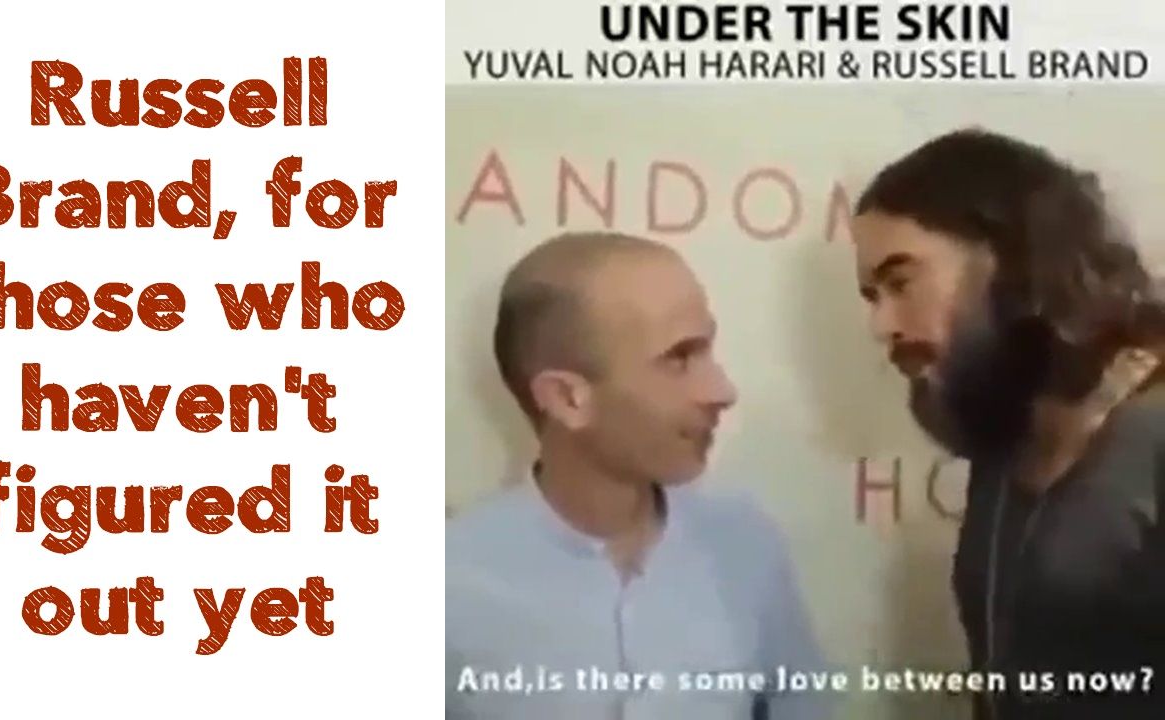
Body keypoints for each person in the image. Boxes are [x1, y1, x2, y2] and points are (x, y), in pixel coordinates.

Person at [446, 232, 829, 719]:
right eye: (679, 358)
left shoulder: (746, 545)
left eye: (707, 351)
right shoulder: (448, 580)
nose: (722, 390)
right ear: (567, 399)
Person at [851, 128, 1165, 719]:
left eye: (901, 282)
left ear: (1013, 260)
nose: (882, 326)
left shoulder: (1153, 433)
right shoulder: (1002, 434)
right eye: (872, 296)